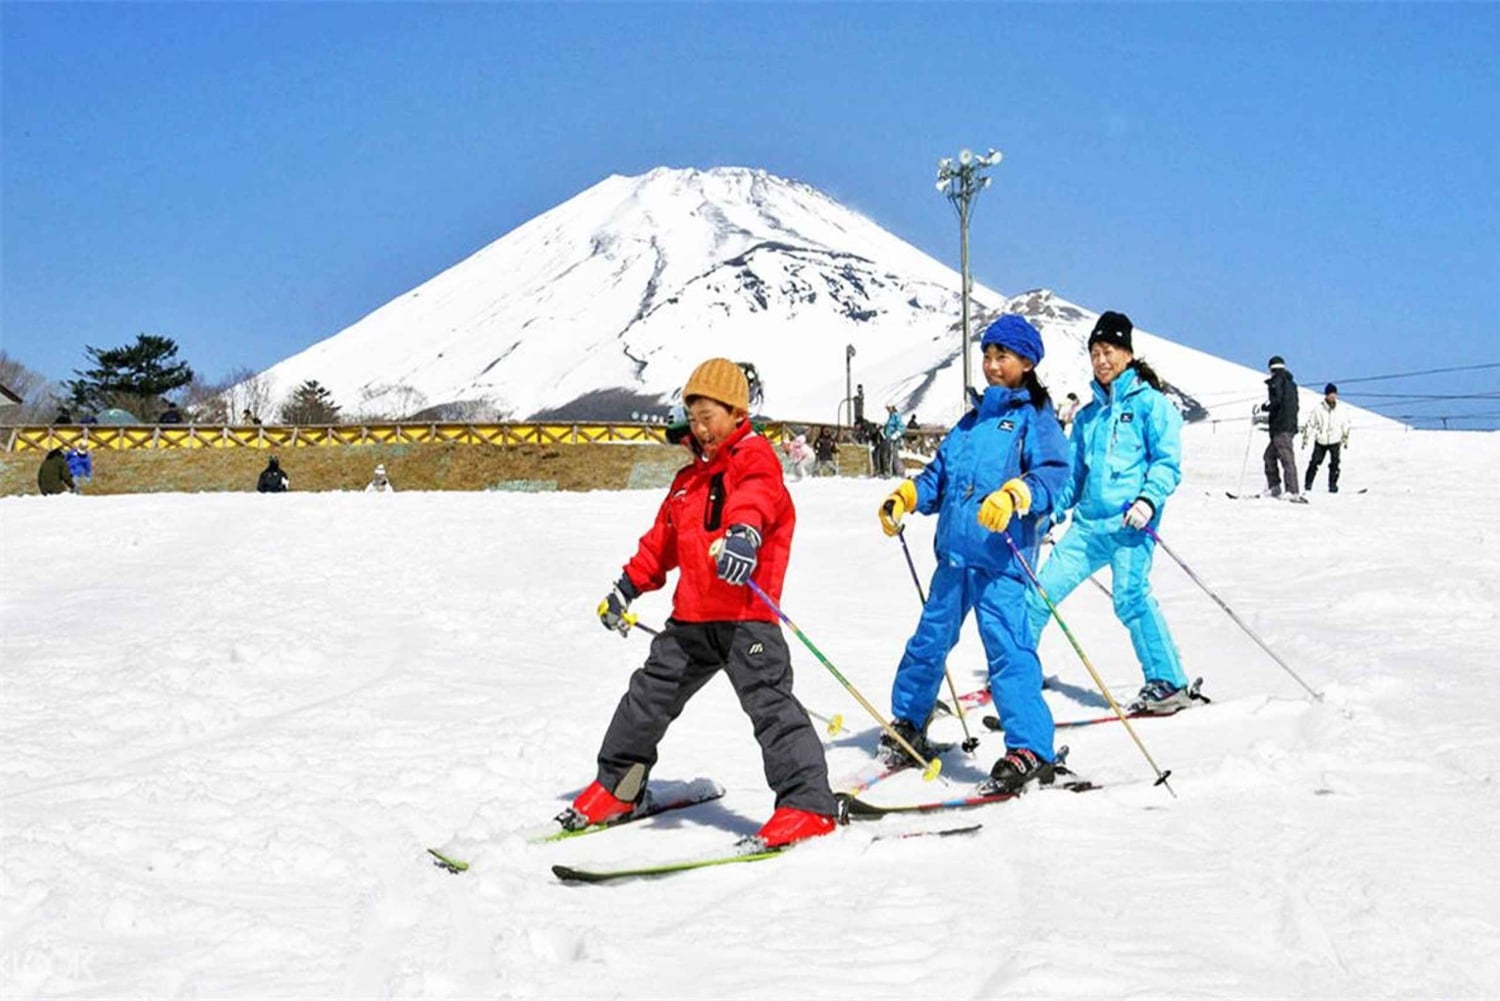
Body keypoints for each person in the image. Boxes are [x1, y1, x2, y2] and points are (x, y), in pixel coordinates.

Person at [569, 357, 838, 849]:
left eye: (708, 417)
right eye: (692, 418)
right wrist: (625, 588)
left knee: (772, 710)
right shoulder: (688, 481)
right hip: (691, 619)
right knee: (646, 698)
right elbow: (660, 543)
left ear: (736, 412)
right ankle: (619, 786)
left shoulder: (754, 458)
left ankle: (806, 804)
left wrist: (744, 535)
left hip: (745, 619)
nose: (699, 429)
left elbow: (757, 496)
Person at [877, 315, 1070, 792]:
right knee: (928, 641)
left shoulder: (1034, 418)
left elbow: (1053, 474)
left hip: (1002, 562)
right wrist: (907, 496)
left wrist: (1017, 496)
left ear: (1027, 362)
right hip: (955, 559)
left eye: (1002, 355)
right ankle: (909, 722)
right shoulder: (970, 421)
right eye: (987, 354)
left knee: (1008, 651)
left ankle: (1031, 748)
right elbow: (938, 477)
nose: (991, 364)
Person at [1024, 311, 1199, 714]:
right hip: (1087, 528)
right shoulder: (1088, 417)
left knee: (1130, 597)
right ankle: (1020, 673)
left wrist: (1148, 500)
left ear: (1127, 353)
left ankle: (1168, 681)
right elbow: (1074, 477)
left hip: (1129, 524)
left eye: (1109, 351)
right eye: (1095, 353)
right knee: (1038, 595)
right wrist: (1050, 512)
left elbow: (1166, 463)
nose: (1101, 361)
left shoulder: (1151, 406)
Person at [1259, 355, 1304, 502]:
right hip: (1288, 426)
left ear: (1271, 369)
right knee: (1269, 456)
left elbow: (1276, 401)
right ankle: (1275, 487)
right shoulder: (1291, 384)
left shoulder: (1277, 381)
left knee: (1286, 458)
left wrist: (1266, 407)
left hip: (1281, 427)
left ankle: (1292, 490)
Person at [1303, 383, 1352, 493]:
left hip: (1335, 440)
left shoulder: (1341, 409)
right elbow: (1311, 423)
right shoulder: (1318, 409)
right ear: (1326, 395)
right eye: (1330, 394)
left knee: (1335, 463)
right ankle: (1308, 484)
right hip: (1321, 440)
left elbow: (1346, 423)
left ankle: (1332, 485)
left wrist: (1345, 437)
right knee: (1314, 462)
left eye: (1334, 394)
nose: (1332, 396)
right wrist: (1306, 437)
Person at [879, 404, 905, 479]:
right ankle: (892, 472)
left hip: (893, 440)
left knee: (892, 456)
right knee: (888, 455)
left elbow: (901, 427)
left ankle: (897, 473)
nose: (888, 410)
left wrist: (895, 435)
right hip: (888, 439)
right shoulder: (891, 416)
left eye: (888, 408)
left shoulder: (896, 416)